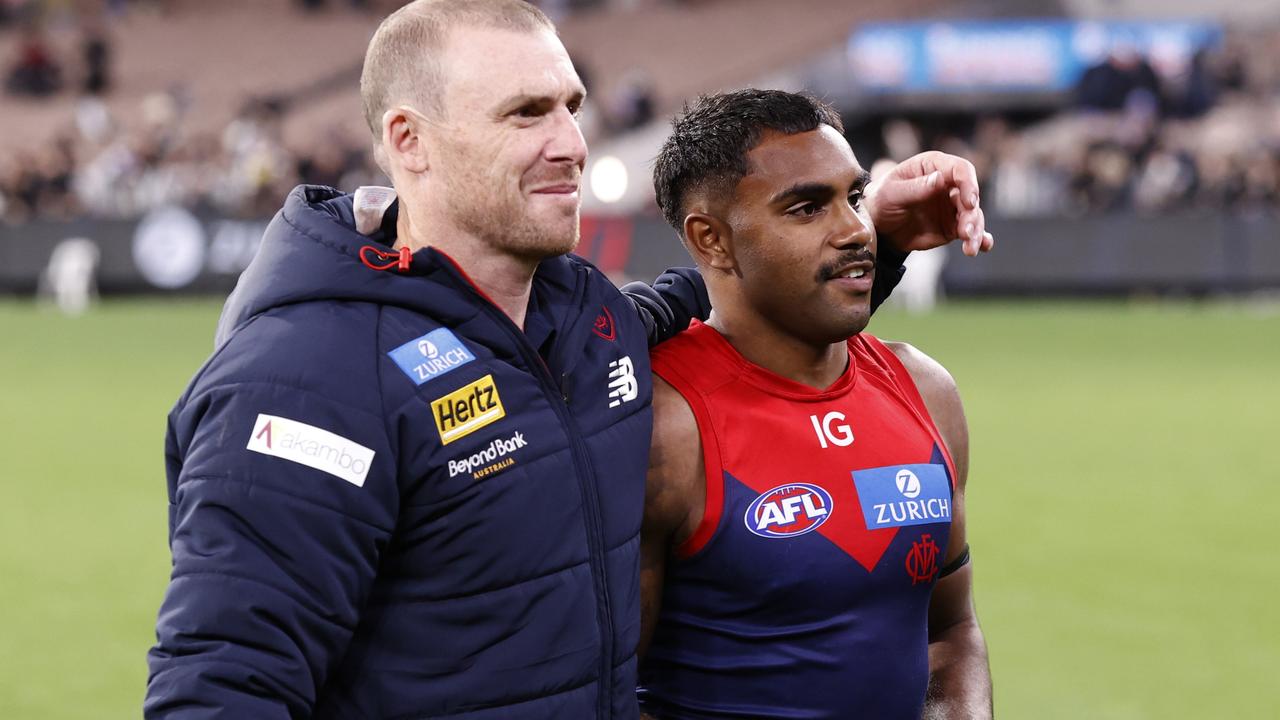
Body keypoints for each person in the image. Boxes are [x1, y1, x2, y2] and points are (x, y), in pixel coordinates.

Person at [144, 2, 991, 718]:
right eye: (525, 114)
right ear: (410, 141)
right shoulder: (306, 377)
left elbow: (734, 309)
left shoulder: (584, 322)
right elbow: (224, 682)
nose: (571, 144)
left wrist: (866, 237)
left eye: (570, 106)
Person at [637, 90, 992, 719]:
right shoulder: (665, 424)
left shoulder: (925, 390)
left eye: (852, 197)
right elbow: (599, 686)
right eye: (806, 208)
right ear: (711, 240)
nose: (857, 229)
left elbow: (950, 633)